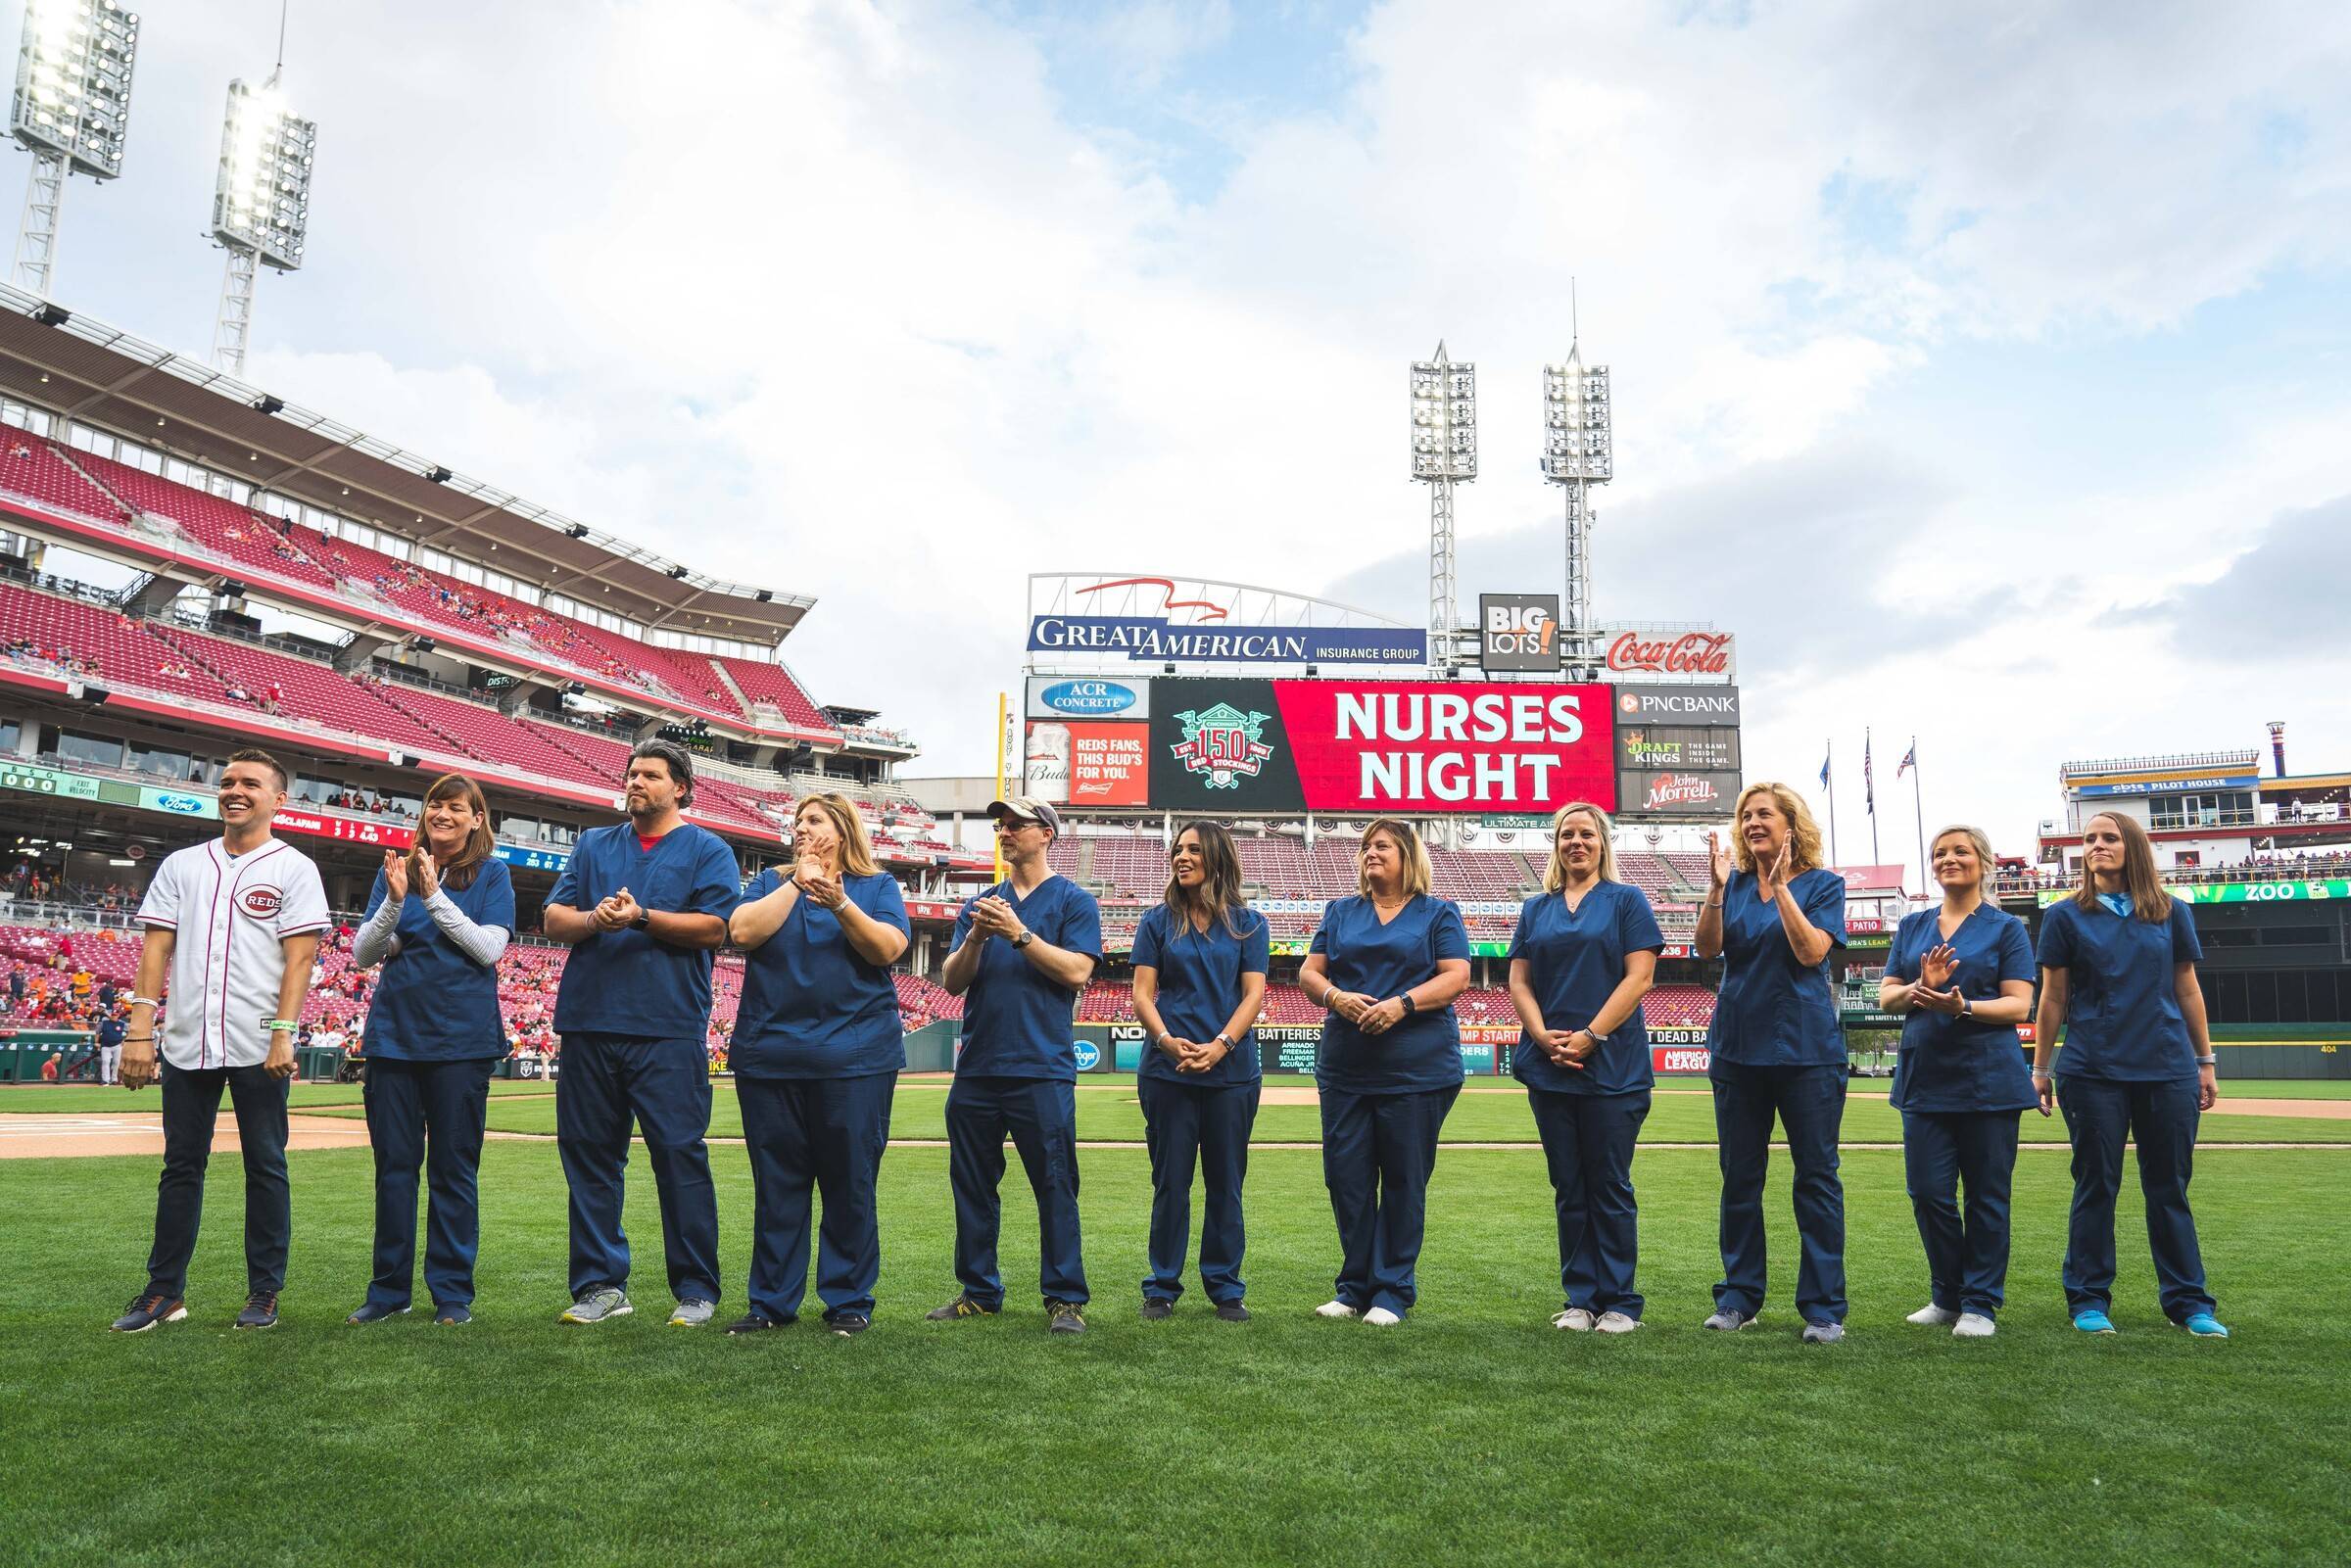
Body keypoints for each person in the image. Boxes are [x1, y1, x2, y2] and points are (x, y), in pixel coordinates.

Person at [110, 749, 329, 1333]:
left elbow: (300, 957)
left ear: (278, 800)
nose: (235, 790)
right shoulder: (183, 863)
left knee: (266, 1164)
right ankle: (164, 1292)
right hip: (187, 1038)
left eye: (250, 783)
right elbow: (156, 948)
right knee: (181, 1166)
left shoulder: (294, 867)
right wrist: (139, 1031)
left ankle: (264, 1292)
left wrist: (286, 1033)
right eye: (227, 781)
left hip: (260, 1041)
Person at [541, 739, 740, 1327]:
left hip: (667, 1028)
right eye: (631, 773)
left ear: (680, 787)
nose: (636, 782)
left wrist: (642, 916)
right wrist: (593, 919)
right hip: (589, 1022)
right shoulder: (595, 843)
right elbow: (554, 918)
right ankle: (601, 1285)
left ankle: (697, 1287)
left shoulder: (708, 849)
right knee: (590, 1159)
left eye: (650, 775)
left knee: (679, 1156)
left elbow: (716, 928)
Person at [2034, 811, 2227, 1338]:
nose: (2097, 845)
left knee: (2169, 1186)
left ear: (2133, 847)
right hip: (2092, 1068)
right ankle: (2089, 1298)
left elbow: (2186, 987)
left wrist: (2204, 1061)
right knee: (2096, 1183)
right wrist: (2041, 1066)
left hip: (2168, 1067)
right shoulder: (2064, 916)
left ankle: (2189, 1303)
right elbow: (2052, 996)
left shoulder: (2171, 912)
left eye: (2109, 838)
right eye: (2090, 839)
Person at [726, 793, 911, 1337]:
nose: (800, 828)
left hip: (855, 1059)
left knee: (849, 1183)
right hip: (772, 1056)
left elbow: (886, 950)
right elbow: (742, 933)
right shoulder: (767, 884)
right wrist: (797, 881)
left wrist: (838, 902)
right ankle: (770, 1303)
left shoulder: (876, 887)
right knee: (777, 1184)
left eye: (814, 821)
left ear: (843, 830)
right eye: (798, 821)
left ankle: (848, 1300)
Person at [347, 774, 516, 1327]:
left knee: (453, 1170)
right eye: (434, 804)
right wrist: (396, 901)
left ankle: (451, 1294)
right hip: (395, 1038)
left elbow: (488, 949)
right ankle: (388, 1290)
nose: (442, 813)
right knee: (393, 1169)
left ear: (475, 818)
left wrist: (433, 895)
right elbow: (366, 953)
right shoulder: (393, 871)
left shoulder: (492, 873)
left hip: (460, 1043)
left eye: (455, 807)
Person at [931, 796, 1102, 1335]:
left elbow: (1076, 972)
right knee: (973, 1185)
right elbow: (952, 981)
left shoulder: (1074, 900)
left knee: (1055, 1183)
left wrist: (1020, 934)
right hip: (978, 1066)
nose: (1004, 833)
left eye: (1016, 825)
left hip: (1041, 1066)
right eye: (1000, 826)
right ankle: (979, 1290)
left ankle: (1065, 1297)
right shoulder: (979, 905)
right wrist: (979, 936)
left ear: (1047, 834)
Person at [1298, 818, 1470, 1327]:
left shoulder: (1438, 912)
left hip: (1416, 1069)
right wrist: (1335, 996)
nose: (1370, 853)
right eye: (1366, 847)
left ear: (1408, 857)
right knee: (1345, 1180)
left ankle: (1391, 1292)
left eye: (1382, 846)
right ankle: (1353, 1288)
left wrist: (1403, 1004)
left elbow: (1457, 974)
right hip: (1346, 1066)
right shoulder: (1340, 911)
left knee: (1402, 1180)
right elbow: (1310, 971)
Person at [1696, 782, 1849, 1344]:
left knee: (1816, 1179)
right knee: (1739, 1178)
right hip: (1739, 1049)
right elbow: (1707, 949)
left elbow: (1811, 951)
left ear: (1792, 824)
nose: (1753, 822)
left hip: (1807, 1052)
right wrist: (1714, 890)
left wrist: (1781, 888)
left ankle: (1824, 1307)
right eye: (1746, 815)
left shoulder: (1823, 885)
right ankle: (1739, 1297)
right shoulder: (1731, 884)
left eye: (1764, 813)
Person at [1505, 801, 1662, 1334]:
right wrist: (1539, 1034)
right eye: (1567, 834)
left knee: (1609, 1184)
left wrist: (1593, 1035)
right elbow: (1519, 981)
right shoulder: (1536, 909)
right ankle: (1581, 1298)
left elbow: (1639, 978)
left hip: (1612, 1066)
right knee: (1569, 1185)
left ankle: (1619, 1301)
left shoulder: (1627, 900)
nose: (1576, 842)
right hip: (1550, 1064)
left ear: (1603, 844)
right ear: (1556, 844)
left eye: (1586, 834)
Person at [1879, 825, 2038, 1339]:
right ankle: (1947, 1295)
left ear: (1983, 863)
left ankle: (1980, 1303)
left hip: (1988, 1079)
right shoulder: (1912, 927)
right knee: (1927, 1193)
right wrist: (1923, 987)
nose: (1949, 859)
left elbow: (2019, 1004)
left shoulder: (2005, 928)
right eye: (1940, 853)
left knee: (1987, 1196)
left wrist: (1962, 1005)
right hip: (1926, 1076)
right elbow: (1887, 997)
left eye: (1960, 851)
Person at [1130, 821, 1269, 1322]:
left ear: (1216, 857)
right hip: (1167, 1072)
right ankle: (1161, 1286)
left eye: (1192, 849)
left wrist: (1221, 1045)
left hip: (1231, 1073)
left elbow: (1254, 993)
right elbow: (1142, 994)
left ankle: (1226, 1287)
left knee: (1226, 1182)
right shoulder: (1156, 921)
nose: (1181, 857)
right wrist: (1167, 1042)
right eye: (1177, 850)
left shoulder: (1250, 923)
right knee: (1170, 1182)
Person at [95, 1003, 128, 1086]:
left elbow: (129, 1032)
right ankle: (105, 1080)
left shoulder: (122, 1023)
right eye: (113, 1015)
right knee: (105, 1061)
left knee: (116, 1062)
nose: (114, 1016)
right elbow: (97, 1033)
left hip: (117, 1045)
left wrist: (125, 1040)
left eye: (115, 1015)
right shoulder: (104, 1022)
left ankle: (114, 1079)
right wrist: (96, 1042)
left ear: (118, 1015)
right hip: (105, 1045)